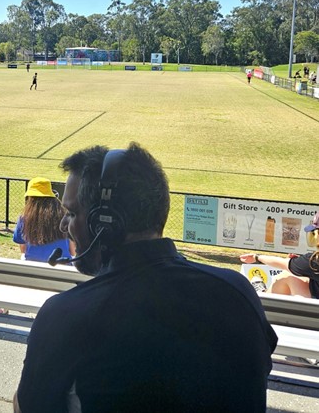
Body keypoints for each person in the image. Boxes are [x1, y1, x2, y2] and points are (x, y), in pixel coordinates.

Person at [15, 144, 277, 412]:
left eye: (71, 213)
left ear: (104, 222)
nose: (63, 225)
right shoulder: (238, 291)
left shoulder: (67, 315)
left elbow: (25, 408)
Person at [240, 211, 319, 298]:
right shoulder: (311, 261)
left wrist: (257, 257)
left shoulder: (313, 261)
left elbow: (282, 264)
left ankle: (263, 297)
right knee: (297, 275)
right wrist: (298, 265)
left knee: (288, 275)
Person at [13, 177, 73, 263]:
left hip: (33, 264)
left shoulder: (24, 218)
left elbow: (23, 249)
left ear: (30, 198)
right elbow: (72, 250)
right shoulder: (65, 216)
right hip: (61, 265)